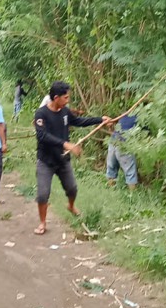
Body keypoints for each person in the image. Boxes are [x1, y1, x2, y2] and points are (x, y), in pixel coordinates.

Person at [34, 81, 111, 235]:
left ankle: (71, 206)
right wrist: (65, 144)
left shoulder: (65, 112)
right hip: (46, 161)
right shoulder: (41, 114)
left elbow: (78, 121)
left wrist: (99, 120)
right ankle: (42, 223)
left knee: (72, 188)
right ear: (56, 98)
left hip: (63, 161)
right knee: (43, 194)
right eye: (66, 97)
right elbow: (42, 136)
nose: (68, 100)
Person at [106, 115, 139, 190]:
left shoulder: (125, 115)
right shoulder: (142, 119)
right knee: (130, 171)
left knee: (111, 168)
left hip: (113, 141)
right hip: (124, 144)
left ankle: (111, 190)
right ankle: (132, 196)